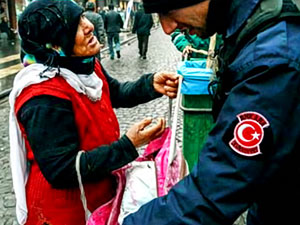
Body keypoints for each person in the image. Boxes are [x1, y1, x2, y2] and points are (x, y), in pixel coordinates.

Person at [123, 0, 300, 224]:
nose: (166, 28)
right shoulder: (250, 28)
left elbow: (214, 190)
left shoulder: (272, 61)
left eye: (167, 10)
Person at [9, 0, 179, 224]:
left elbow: (114, 92)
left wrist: (149, 85)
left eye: (82, 18)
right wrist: (127, 145)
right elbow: (61, 170)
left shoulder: (83, 64)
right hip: (64, 213)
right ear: (54, 44)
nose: (88, 26)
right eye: (75, 25)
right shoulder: (42, 97)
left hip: (98, 197)